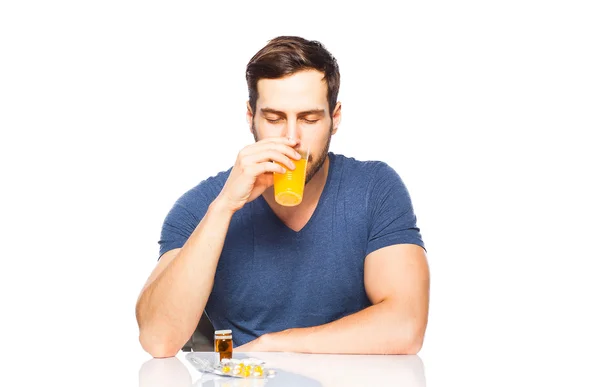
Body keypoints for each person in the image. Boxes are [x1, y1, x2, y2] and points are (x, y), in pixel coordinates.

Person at [135, 36, 430, 358]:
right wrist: (224, 208)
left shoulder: (374, 188)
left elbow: (405, 327)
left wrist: (273, 345)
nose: (292, 139)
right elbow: (159, 340)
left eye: (309, 119)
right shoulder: (201, 205)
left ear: (336, 118)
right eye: (274, 119)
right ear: (251, 118)